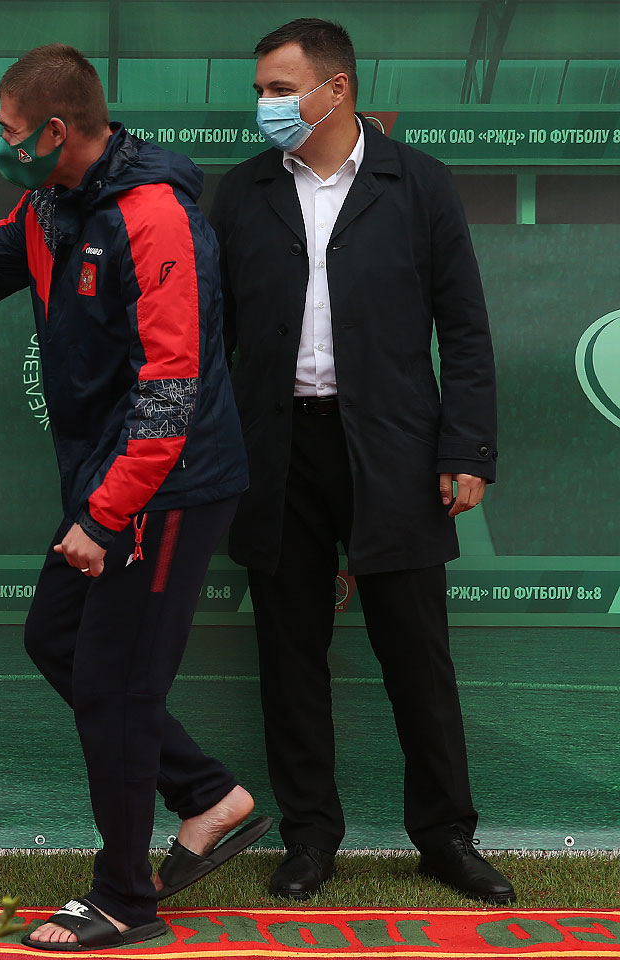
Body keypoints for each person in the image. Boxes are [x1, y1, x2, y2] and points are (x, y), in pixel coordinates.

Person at [0, 43, 269, 951]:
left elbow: (171, 394)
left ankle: (125, 898)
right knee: (56, 638)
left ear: (56, 131)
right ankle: (210, 796)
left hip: (167, 486)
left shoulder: (155, 217)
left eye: (8, 130)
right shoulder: (49, 203)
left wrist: (104, 515)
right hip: (111, 480)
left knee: (116, 687)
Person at [209, 18, 514, 904]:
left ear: (334, 89)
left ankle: (445, 837)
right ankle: (310, 839)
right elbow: (212, 334)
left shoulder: (419, 183)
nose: (265, 105)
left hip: (396, 450)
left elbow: (465, 328)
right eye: (259, 91)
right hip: (277, 452)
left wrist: (466, 448)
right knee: (289, 656)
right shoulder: (241, 193)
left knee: (417, 656)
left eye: (279, 89)